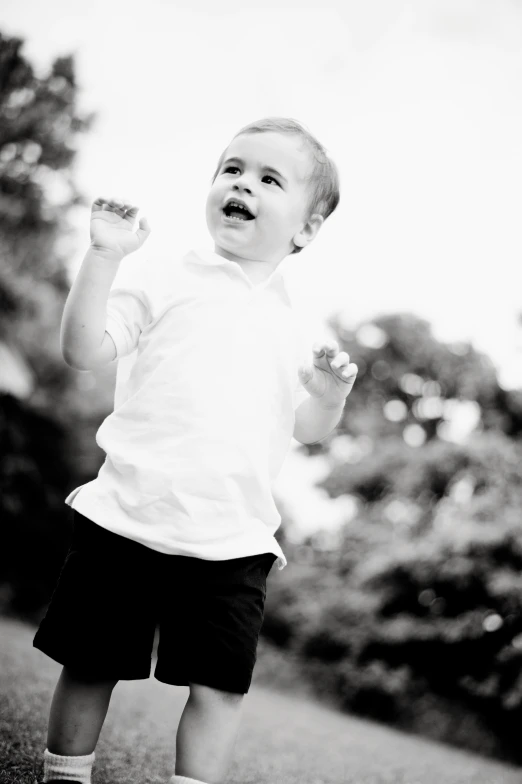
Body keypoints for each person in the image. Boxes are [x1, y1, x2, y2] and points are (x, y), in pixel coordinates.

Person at [33, 117, 358, 784]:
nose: (242, 184)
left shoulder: (298, 324)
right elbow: (83, 350)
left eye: (269, 179)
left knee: (220, 687)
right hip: (129, 511)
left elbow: (308, 429)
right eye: (232, 170)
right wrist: (103, 258)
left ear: (307, 228)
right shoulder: (163, 274)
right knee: (92, 661)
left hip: (232, 538)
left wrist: (329, 396)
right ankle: (64, 775)